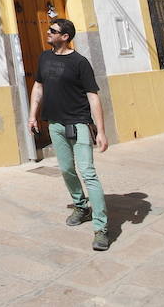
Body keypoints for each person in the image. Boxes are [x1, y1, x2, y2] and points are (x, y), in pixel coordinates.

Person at [27, 17, 111, 251]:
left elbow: (93, 96)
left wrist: (101, 131)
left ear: (65, 37)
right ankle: (80, 205)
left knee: (88, 173)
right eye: (48, 29)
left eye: (52, 31)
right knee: (66, 169)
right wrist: (33, 114)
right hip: (55, 124)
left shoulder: (80, 62)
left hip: (79, 124)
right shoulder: (44, 57)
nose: (47, 33)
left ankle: (101, 228)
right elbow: (38, 86)